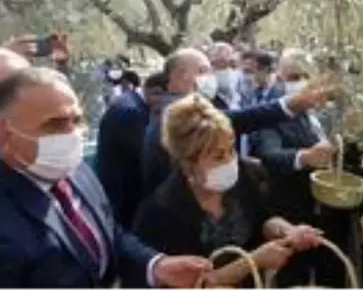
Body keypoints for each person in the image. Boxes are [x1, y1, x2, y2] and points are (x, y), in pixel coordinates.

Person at [0, 67, 211, 290]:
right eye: (54, 124)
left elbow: (107, 232)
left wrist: (155, 266)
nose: (72, 134)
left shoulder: (76, 170)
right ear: (5, 134)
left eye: (77, 120)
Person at [134, 94, 322, 288]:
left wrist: (286, 230)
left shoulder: (240, 177)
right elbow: (191, 283)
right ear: (188, 163)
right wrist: (253, 261)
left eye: (231, 150)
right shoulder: (160, 214)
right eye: (218, 156)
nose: (229, 161)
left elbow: (262, 216)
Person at [140, 48, 333, 201]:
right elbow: (234, 121)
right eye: (204, 70)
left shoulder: (185, 104)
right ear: (179, 75)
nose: (211, 76)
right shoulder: (173, 112)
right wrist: (290, 104)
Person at [250, 48, 342, 289]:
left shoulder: (324, 111)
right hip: (291, 215)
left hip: (328, 213)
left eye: (303, 76)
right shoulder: (270, 112)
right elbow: (270, 155)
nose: (298, 83)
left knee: (331, 271)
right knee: (293, 276)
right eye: (291, 78)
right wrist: (305, 157)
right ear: (278, 78)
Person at [95, 71, 167, 228]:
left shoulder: (133, 104)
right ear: (156, 93)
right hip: (123, 198)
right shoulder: (130, 112)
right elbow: (146, 155)